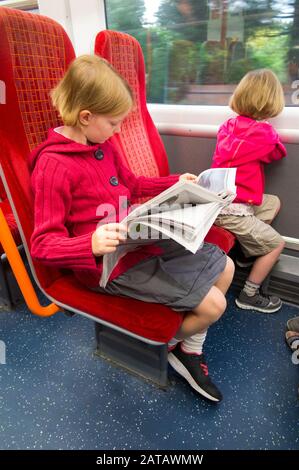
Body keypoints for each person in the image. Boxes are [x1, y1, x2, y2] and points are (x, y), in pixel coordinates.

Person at [29, 55, 234, 403]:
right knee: (214, 306)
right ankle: (168, 347)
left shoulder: (102, 144)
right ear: (86, 117)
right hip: (105, 264)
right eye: (113, 122)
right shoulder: (53, 166)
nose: (118, 130)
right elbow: (42, 244)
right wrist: (90, 243)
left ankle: (187, 348)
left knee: (226, 267)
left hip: (135, 236)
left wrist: (177, 184)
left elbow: (133, 184)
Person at [211, 69, 286, 313]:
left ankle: (246, 250)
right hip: (232, 209)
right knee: (276, 244)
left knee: (272, 202)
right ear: (271, 103)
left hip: (220, 199)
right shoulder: (265, 134)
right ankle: (249, 294)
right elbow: (277, 153)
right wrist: (267, 128)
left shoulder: (227, 126)